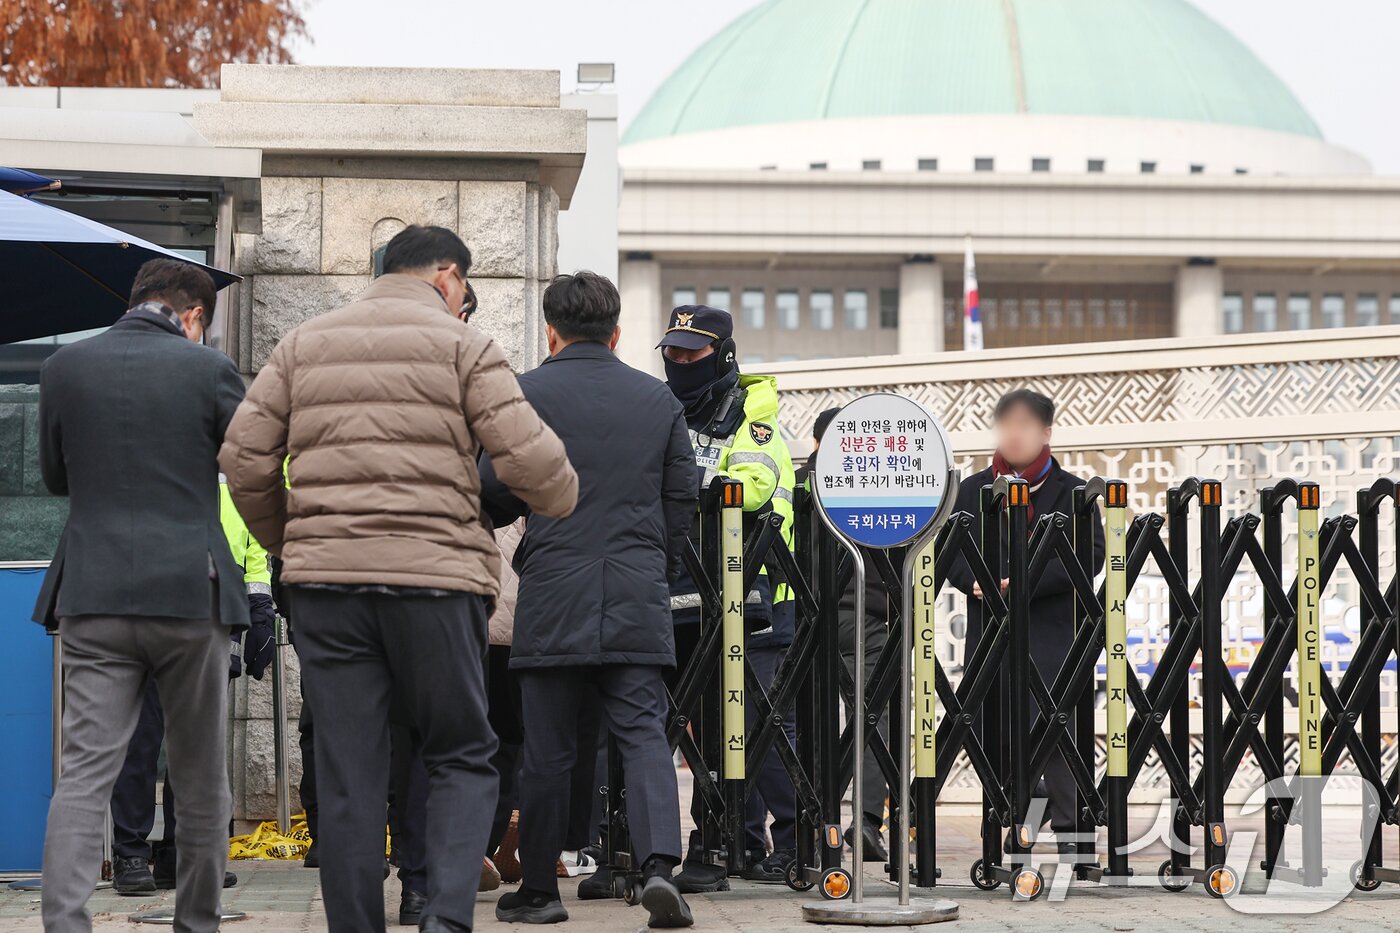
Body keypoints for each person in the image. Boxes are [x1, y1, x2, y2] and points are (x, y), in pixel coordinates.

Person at [220, 225, 578, 933]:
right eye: (466, 290)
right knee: (460, 753)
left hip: (327, 589)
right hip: (435, 584)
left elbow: (243, 457)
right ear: (447, 276)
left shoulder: (304, 343)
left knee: (350, 770)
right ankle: (443, 917)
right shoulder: (464, 345)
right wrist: (561, 495)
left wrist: (290, 540)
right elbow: (535, 466)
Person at [33, 258, 248, 933]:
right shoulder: (209, 370)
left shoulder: (63, 369)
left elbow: (54, 476)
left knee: (84, 774)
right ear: (191, 315)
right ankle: (198, 921)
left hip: (93, 592)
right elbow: (246, 466)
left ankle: (65, 921)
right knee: (199, 776)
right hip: (192, 590)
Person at [480, 271, 696, 928]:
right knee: (642, 734)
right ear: (618, 331)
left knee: (547, 748)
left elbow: (496, 490)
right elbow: (681, 499)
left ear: (551, 330)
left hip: (553, 588)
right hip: (634, 586)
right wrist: (651, 563)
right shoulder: (658, 401)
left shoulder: (527, 392)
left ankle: (540, 891)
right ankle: (658, 866)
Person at [651, 304, 799, 893]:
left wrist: (683, 487)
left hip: (756, 594)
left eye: (694, 352)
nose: (681, 362)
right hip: (684, 591)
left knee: (757, 724)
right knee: (708, 730)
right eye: (673, 352)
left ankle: (798, 842)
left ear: (725, 355)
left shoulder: (751, 415)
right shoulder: (660, 409)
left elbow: (753, 486)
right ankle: (728, 840)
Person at [946, 388, 1103, 861]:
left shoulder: (1074, 492)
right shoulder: (971, 490)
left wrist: (1023, 581)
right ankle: (1008, 839)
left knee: (1059, 739)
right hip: (990, 636)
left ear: (1046, 432)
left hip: (1054, 639)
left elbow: (1092, 555)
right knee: (996, 737)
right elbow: (949, 549)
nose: (1014, 434)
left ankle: (1076, 845)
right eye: (1007, 424)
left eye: (1025, 425)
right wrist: (974, 581)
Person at [110, 479, 277, 895]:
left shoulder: (234, 472)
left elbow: (254, 542)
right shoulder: (151, 458)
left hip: (211, 615)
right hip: (149, 608)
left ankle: (182, 855)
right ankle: (130, 852)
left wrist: (260, 609)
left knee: (198, 746)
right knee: (141, 739)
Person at [800, 407, 890, 861]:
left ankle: (815, 824)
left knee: (807, 720)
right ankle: (868, 823)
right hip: (866, 615)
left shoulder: (800, 481)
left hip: (803, 615)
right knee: (874, 716)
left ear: (817, 443)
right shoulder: (878, 479)